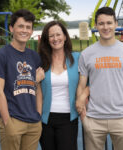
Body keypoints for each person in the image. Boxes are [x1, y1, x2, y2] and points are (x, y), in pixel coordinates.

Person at [76, 7, 123, 150]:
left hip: (121, 118)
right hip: (94, 119)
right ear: (96, 26)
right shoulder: (86, 54)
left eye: (109, 23)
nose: (105, 27)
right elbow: (81, 87)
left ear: (116, 24)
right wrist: (84, 119)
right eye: (101, 23)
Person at [0, 9, 45, 150]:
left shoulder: (34, 57)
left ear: (32, 31)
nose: (24, 30)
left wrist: (38, 114)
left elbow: (38, 87)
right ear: (11, 28)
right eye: (20, 26)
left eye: (28, 27)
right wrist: (7, 122)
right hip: (13, 120)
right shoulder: (1, 55)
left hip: (33, 122)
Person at [38, 21, 89, 150]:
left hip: (68, 118)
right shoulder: (41, 60)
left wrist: (82, 97)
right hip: (45, 119)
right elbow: (33, 87)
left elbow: (91, 83)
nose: (55, 39)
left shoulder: (77, 58)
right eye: (51, 36)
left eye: (58, 34)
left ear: (65, 37)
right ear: (47, 39)